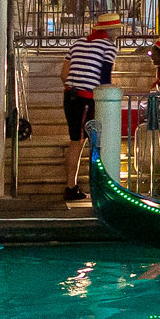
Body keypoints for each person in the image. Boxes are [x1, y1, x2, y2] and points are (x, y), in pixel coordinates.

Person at [62, 14, 121, 200]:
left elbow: (63, 74)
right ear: (110, 31)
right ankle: (71, 187)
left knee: (77, 140)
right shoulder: (108, 47)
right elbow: (104, 79)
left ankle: (75, 185)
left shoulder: (78, 43)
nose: (119, 32)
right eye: (118, 29)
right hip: (86, 99)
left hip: (70, 96)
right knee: (79, 142)